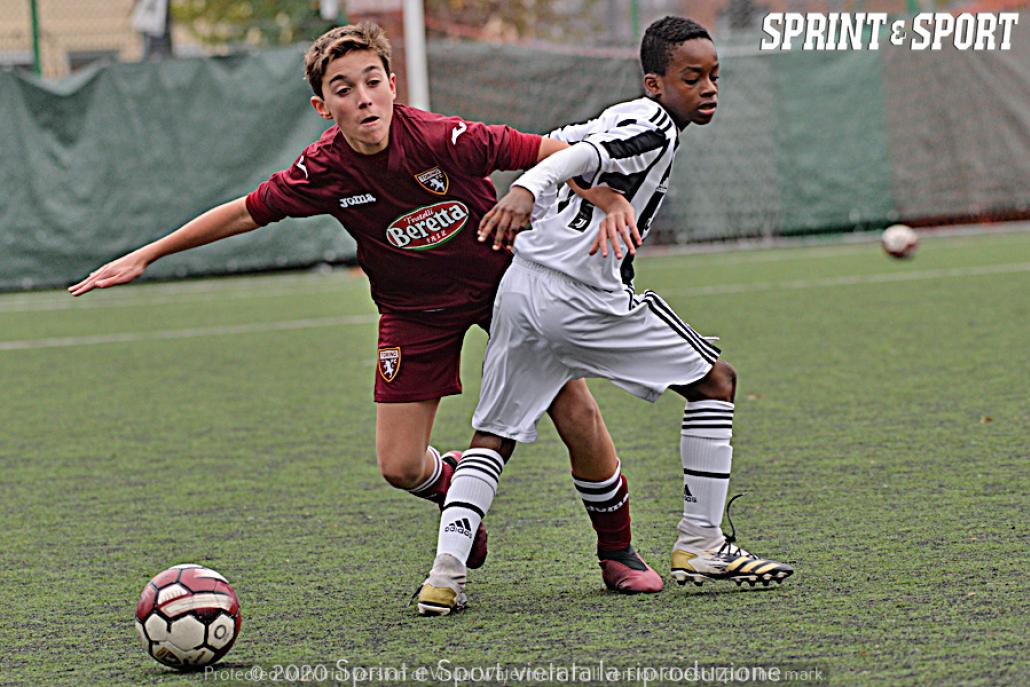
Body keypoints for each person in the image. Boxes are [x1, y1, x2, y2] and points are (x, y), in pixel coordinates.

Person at [68, 22, 662, 591]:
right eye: (344, 88)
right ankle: (452, 487)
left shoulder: (442, 137)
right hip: (413, 312)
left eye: (373, 81)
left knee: (576, 413)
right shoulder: (324, 168)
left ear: (392, 85)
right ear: (323, 107)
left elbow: (553, 153)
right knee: (399, 465)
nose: (363, 97)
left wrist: (610, 198)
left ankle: (617, 552)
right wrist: (148, 254)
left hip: (504, 292)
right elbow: (247, 211)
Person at [416, 16, 793, 616]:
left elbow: (560, 148)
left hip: (522, 286)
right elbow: (582, 157)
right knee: (715, 382)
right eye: (691, 78)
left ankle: (444, 575)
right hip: (583, 297)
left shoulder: (619, 113)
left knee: (493, 436)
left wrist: (599, 193)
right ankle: (700, 543)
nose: (708, 89)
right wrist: (525, 191)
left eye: (714, 76)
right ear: (655, 83)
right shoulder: (655, 127)